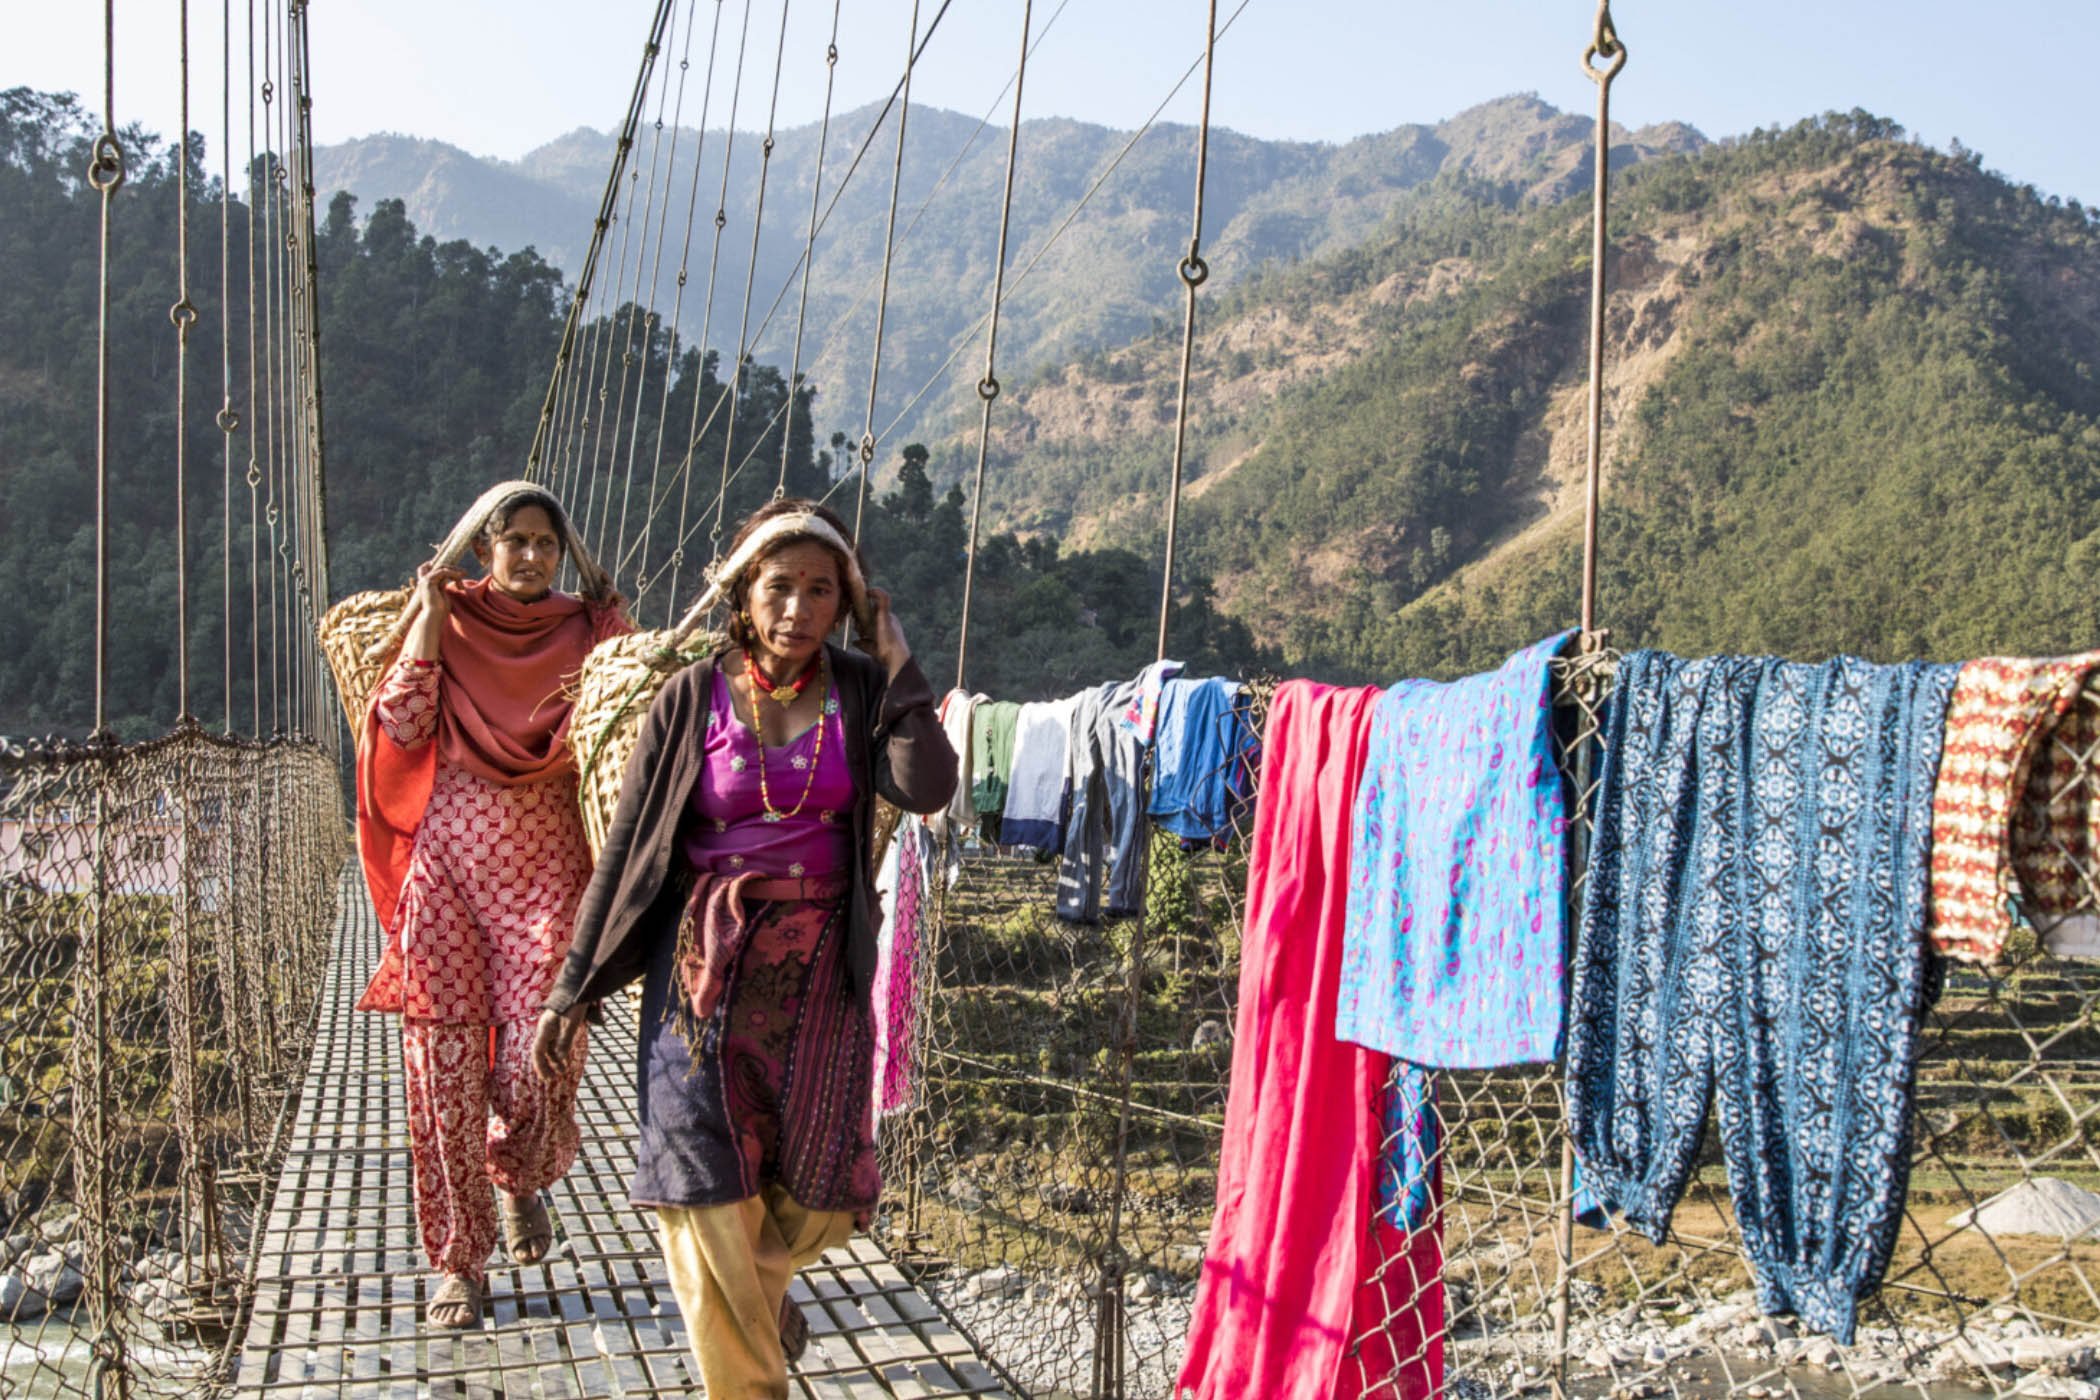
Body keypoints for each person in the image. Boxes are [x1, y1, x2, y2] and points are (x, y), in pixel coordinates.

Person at [532, 497, 956, 1397]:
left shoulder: (857, 687)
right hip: (703, 971)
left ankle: (758, 1293)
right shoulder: (690, 697)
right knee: (703, 1188)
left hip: (820, 976)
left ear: (844, 604)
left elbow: (925, 788)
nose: (797, 609)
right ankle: (749, 1372)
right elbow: (625, 852)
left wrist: (898, 661)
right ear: (742, 595)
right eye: (779, 588)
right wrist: (573, 987)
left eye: (819, 591)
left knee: (813, 1196)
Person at [353, 482, 632, 1329]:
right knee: (440, 1071)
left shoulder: (586, 629)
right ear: (484, 549)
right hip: (447, 874)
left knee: (539, 1058)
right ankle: (458, 1266)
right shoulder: (450, 617)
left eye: (548, 543)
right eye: (515, 541)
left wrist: (618, 621)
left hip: (548, 868)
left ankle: (514, 1173)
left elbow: (634, 701)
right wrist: (432, 620)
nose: (533, 557)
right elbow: (400, 726)